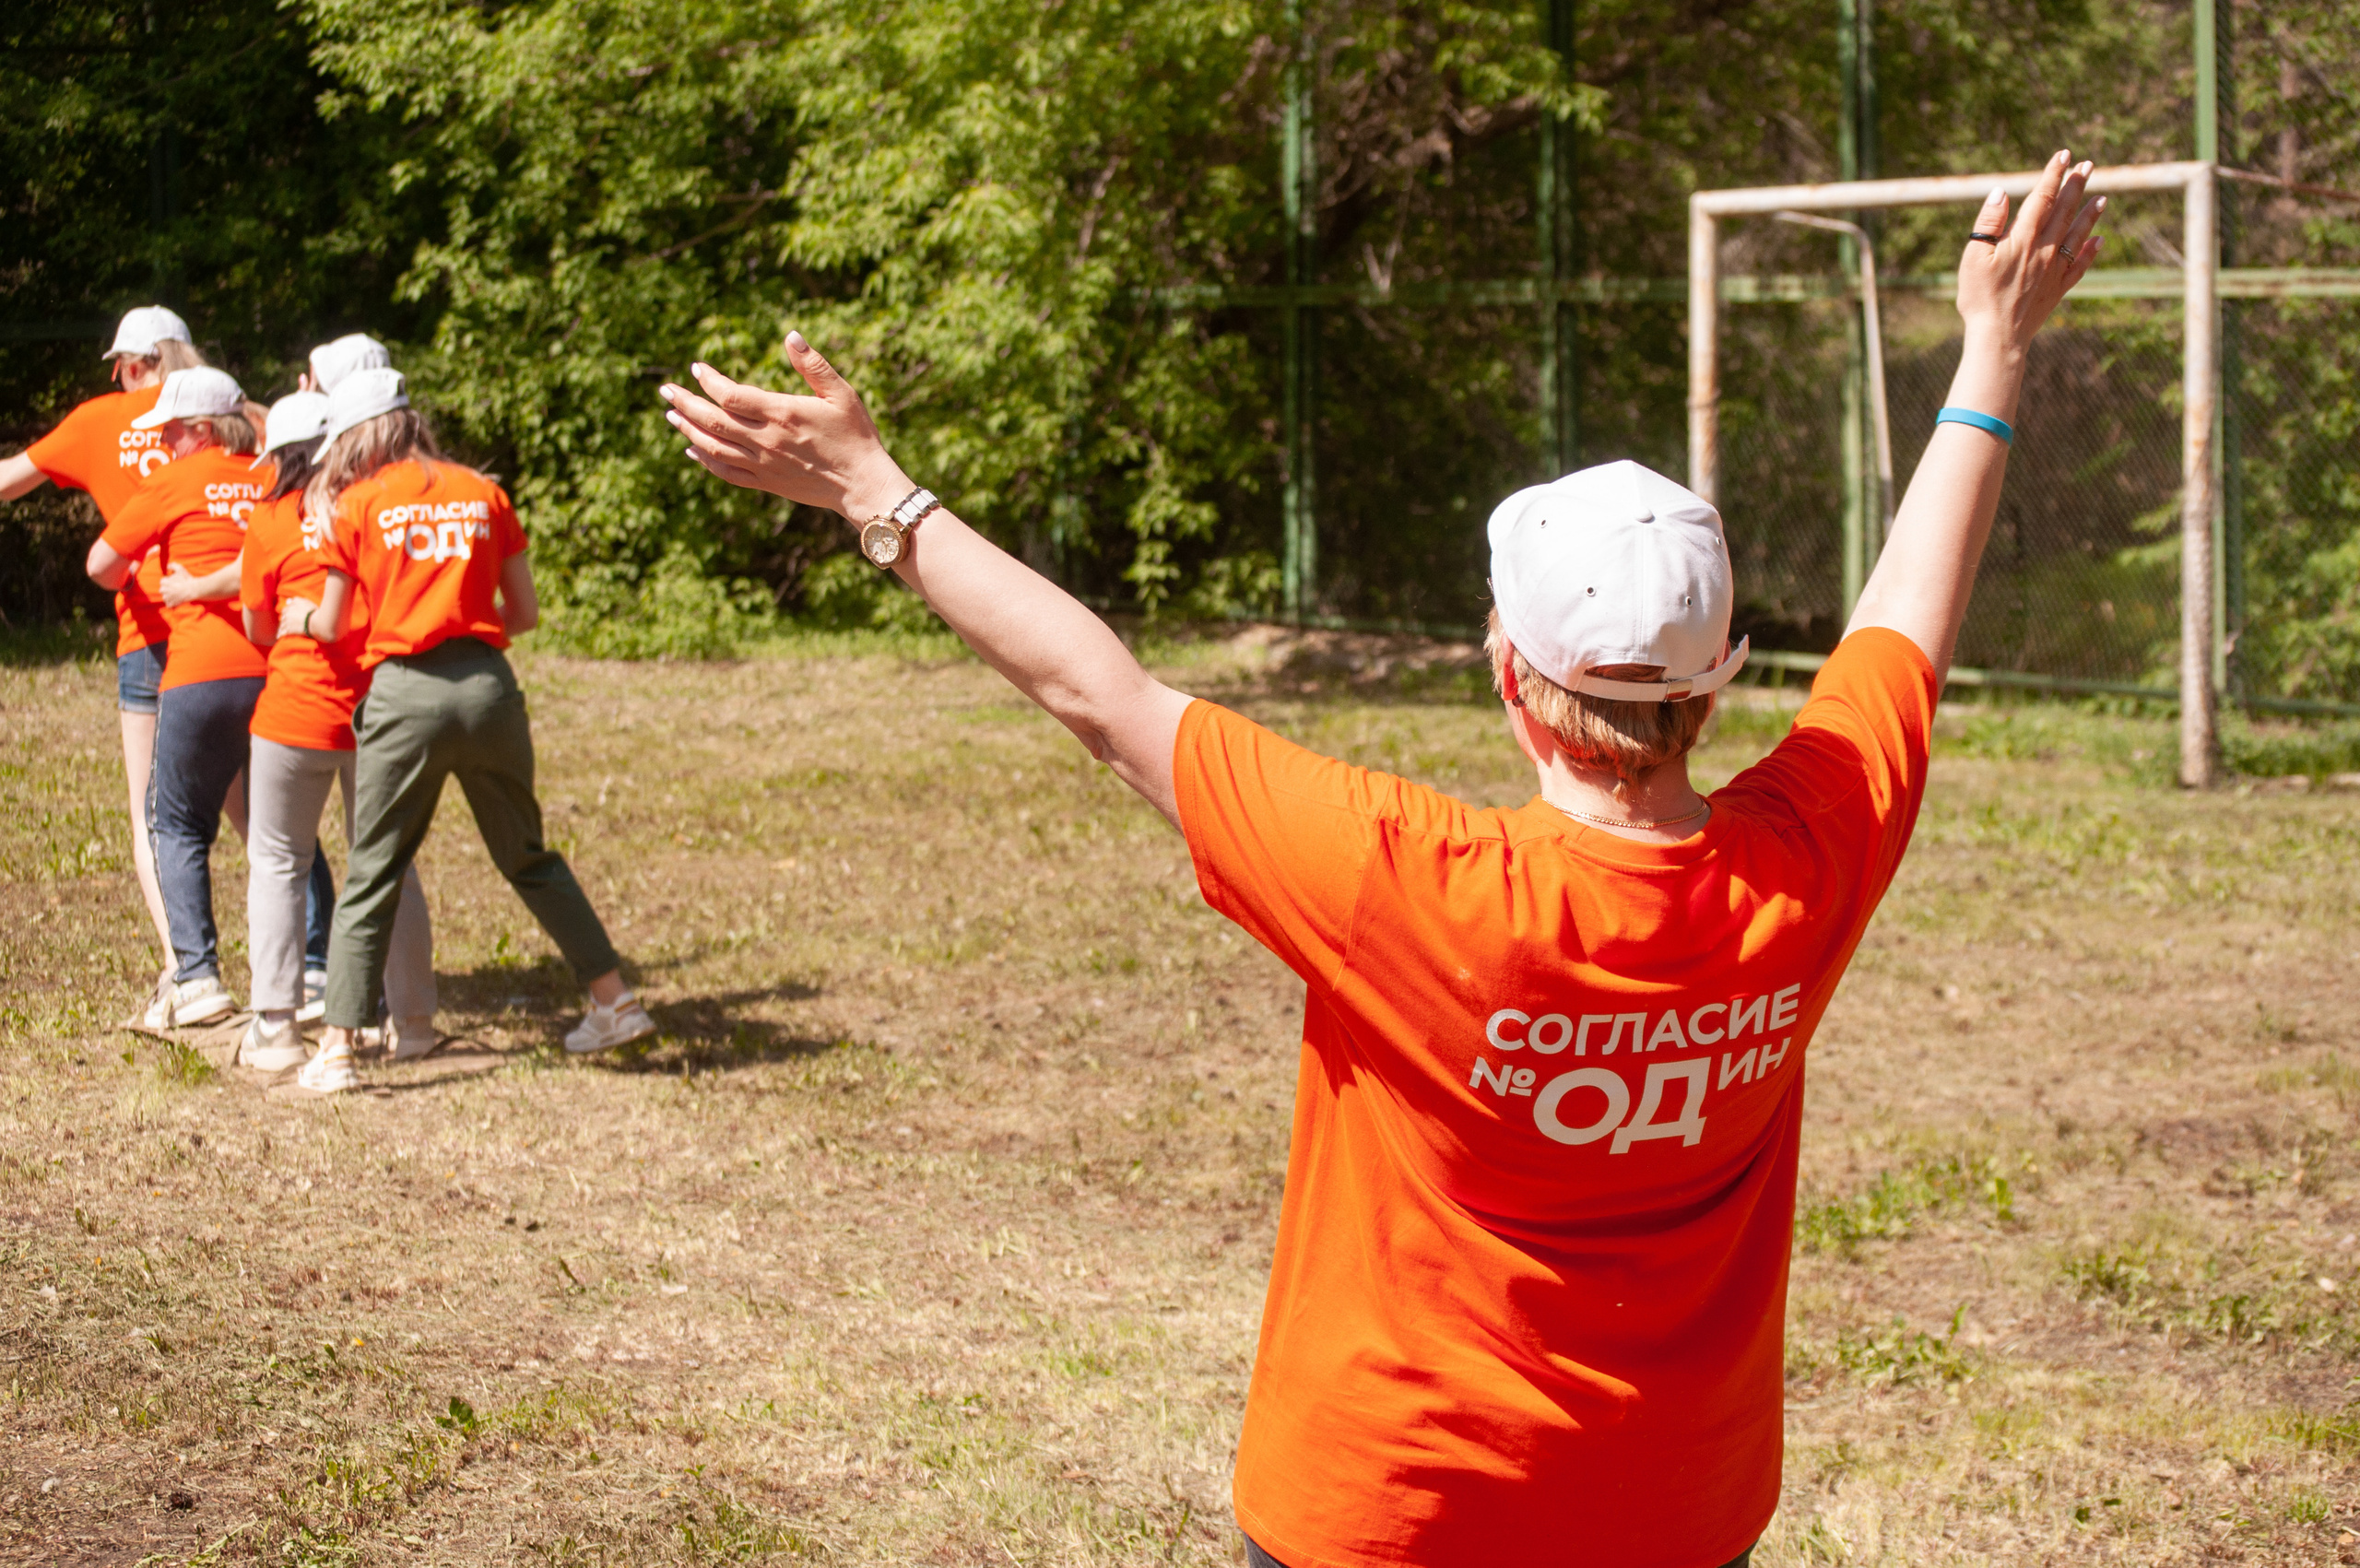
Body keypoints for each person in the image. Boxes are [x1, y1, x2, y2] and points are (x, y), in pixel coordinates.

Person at [660, 155, 2105, 1568]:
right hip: (1675, 1512)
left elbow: (1100, 696)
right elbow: (1908, 620)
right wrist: (1994, 345)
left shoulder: (1403, 877)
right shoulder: (1812, 854)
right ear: (1714, 686)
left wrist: (876, 491)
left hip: (1386, 1511)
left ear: (1507, 672)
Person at [288, 368, 654, 1095]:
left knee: (373, 868)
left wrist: (294, 619)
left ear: (358, 438)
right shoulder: (485, 493)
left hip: (403, 694)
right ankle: (615, 999)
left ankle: (336, 1048)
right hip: (489, 690)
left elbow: (330, 622)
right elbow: (522, 613)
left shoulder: (358, 503)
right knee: (527, 854)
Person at [84, 367, 332, 1027]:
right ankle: (315, 966)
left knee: (175, 821)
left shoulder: (173, 480)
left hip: (199, 673)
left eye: (168, 431)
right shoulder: (271, 477)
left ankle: (198, 977)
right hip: (274, 668)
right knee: (284, 827)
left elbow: (100, 564)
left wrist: (150, 571)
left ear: (198, 428)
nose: (161, 444)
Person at [0, 306, 208, 1002]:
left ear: (132, 363)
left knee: (150, 809)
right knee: (258, 814)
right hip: (230, 629)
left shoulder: (97, 422)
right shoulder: (223, 412)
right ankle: (305, 965)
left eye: (120, 366)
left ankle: (187, 970)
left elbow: (8, 479)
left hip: (149, 633)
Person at [236, 390, 441, 1071]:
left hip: (293, 711)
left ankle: (276, 1026)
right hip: (377, 710)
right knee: (388, 864)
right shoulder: (375, 508)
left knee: (276, 862)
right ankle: (410, 1021)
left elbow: (259, 629)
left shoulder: (267, 521)